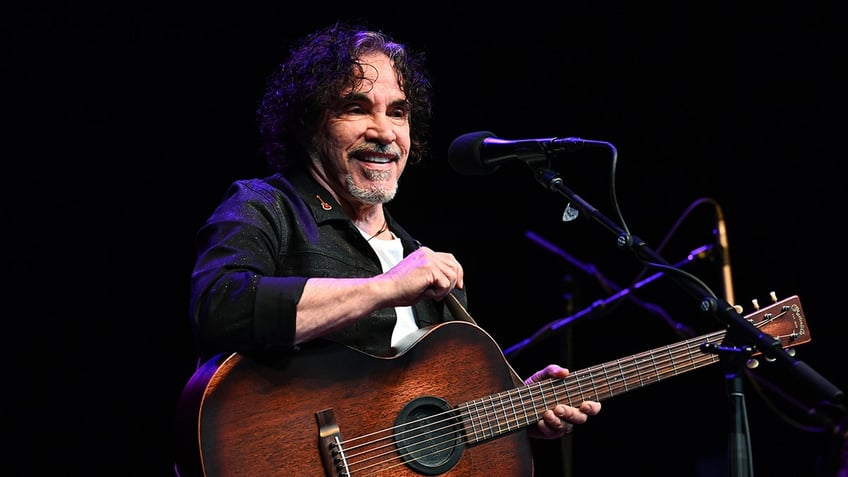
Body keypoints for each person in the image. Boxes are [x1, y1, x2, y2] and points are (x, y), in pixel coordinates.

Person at [182, 20, 601, 475]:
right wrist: (386, 288)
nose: (384, 132)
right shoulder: (265, 206)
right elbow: (222, 307)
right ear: (308, 125)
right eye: (356, 108)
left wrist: (520, 410)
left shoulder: (427, 265)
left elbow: (434, 418)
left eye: (398, 112)